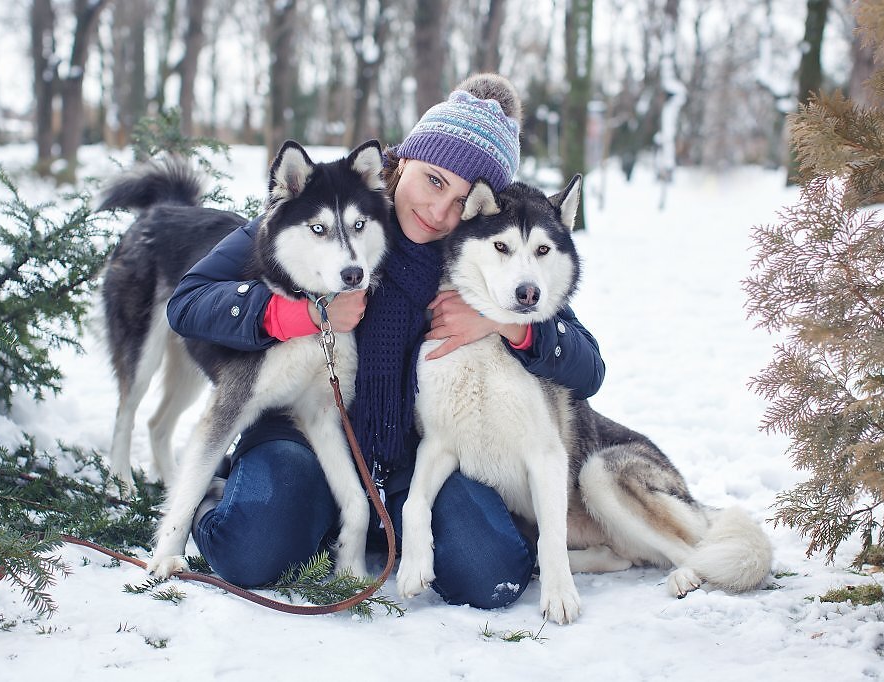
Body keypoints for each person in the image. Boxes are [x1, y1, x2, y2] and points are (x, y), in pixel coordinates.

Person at [166, 74, 605, 609]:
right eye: (433, 181)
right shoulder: (339, 207)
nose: (440, 211)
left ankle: (371, 527)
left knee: (492, 571)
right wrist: (291, 313)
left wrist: (509, 325)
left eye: (462, 199)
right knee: (250, 549)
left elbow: (589, 367)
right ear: (404, 162)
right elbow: (187, 302)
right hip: (303, 436)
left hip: (409, 462)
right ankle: (225, 498)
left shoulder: (482, 257)